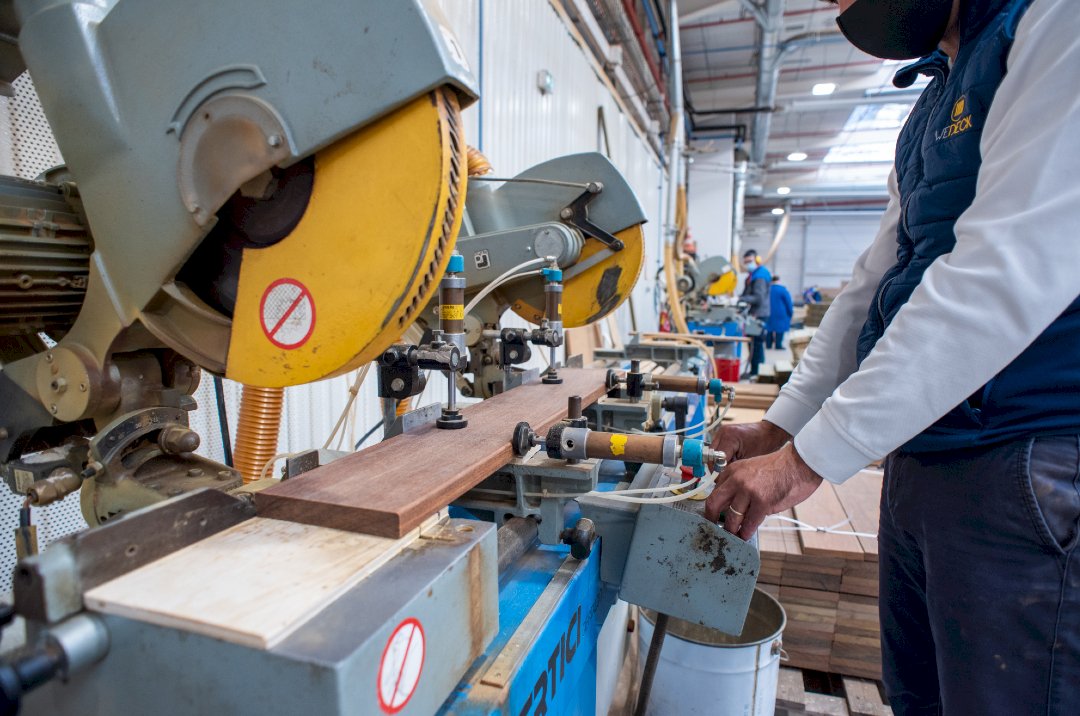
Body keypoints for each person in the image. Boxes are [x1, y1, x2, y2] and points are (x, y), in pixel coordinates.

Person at [705, 1, 1080, 714]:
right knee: (919, 697)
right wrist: (783, 427)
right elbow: (874, 285)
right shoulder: (939, 94)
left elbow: (1005, 271)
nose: (845, 6)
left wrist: (809, 460)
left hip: (1024, 461)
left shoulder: (1054, 22)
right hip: (927, 457)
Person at [739, 249, 771, 376]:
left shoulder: (760, 276)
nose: (748, 265)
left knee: (756, 344)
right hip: (756, 313)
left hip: (759, 314)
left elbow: (758, 297)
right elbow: (747, 293)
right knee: (755, 343)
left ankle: (755, 372)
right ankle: (755, 371)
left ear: (757, 260)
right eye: (746, 262)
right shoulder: (754, 275)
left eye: (750, 261)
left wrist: (740, 299)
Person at [764, 276, 794, 350]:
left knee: (769, 328)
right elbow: (788, 303)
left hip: (768, 312)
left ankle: (768, 344)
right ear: (779, 281)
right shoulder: (783, 290)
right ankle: (778, 345)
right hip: (781, 313)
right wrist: (790, 313)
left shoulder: (767, 289)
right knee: (780, 329)